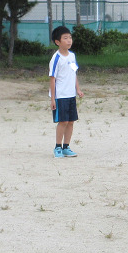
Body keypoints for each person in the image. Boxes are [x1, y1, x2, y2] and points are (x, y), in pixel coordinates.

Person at [48, 25, 82, 157]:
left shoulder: (72, 56)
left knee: (71, 121)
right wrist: (52, 99)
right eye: (65, 38)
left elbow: (74, 74)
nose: (69, 40)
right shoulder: (56, 58)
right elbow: (52, 79)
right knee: (63, 122)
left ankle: (66, 147)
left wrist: (78, 89)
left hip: (70, 95)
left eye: (70, 38)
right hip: (60, 96)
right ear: (57, 42)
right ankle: (58, 147)